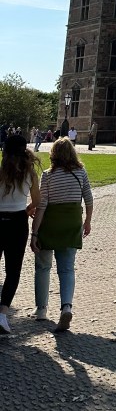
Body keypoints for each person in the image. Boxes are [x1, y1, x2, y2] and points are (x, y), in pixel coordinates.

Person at [29, 137, 93, 333]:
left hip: (51, 224)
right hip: (71, 223)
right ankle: (66, 307)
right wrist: (87, 221)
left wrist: (34, 233)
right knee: (66, 269)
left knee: (43, 267)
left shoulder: (48, 175)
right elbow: (88, 198)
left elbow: (42, 205)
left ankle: (41, 309)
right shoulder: (81, 172)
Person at [0, 134, 41, 334]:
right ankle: (3, 313)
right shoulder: (30, 174)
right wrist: (27, 209)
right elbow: (37, 200)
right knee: (13, 270)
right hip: (17, 220)